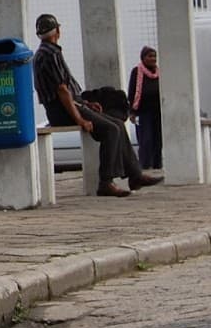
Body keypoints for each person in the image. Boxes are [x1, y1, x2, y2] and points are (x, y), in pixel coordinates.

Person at [32, 13, 162, 198]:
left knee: (118, 123)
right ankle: (105, 182)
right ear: (57, 31)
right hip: (63, 111)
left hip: (70, 105)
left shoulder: (43, 53)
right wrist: (80, 118)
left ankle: (135, 175)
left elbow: (66, 91)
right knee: (111, 130)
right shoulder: (51, 54)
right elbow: (62, 90)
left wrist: (86, 103)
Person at [127, 46, 163, 170]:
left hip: (158, 112)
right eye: (150, 56)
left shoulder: (159, 72)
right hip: (142, 112)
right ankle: (145, 165)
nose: (153, 59)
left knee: (158, 139)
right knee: (145, 139)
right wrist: (132, 111)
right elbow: (132, 91)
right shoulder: (137, 72)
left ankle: (157, 165)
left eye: (154, 56)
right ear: (143, 58)